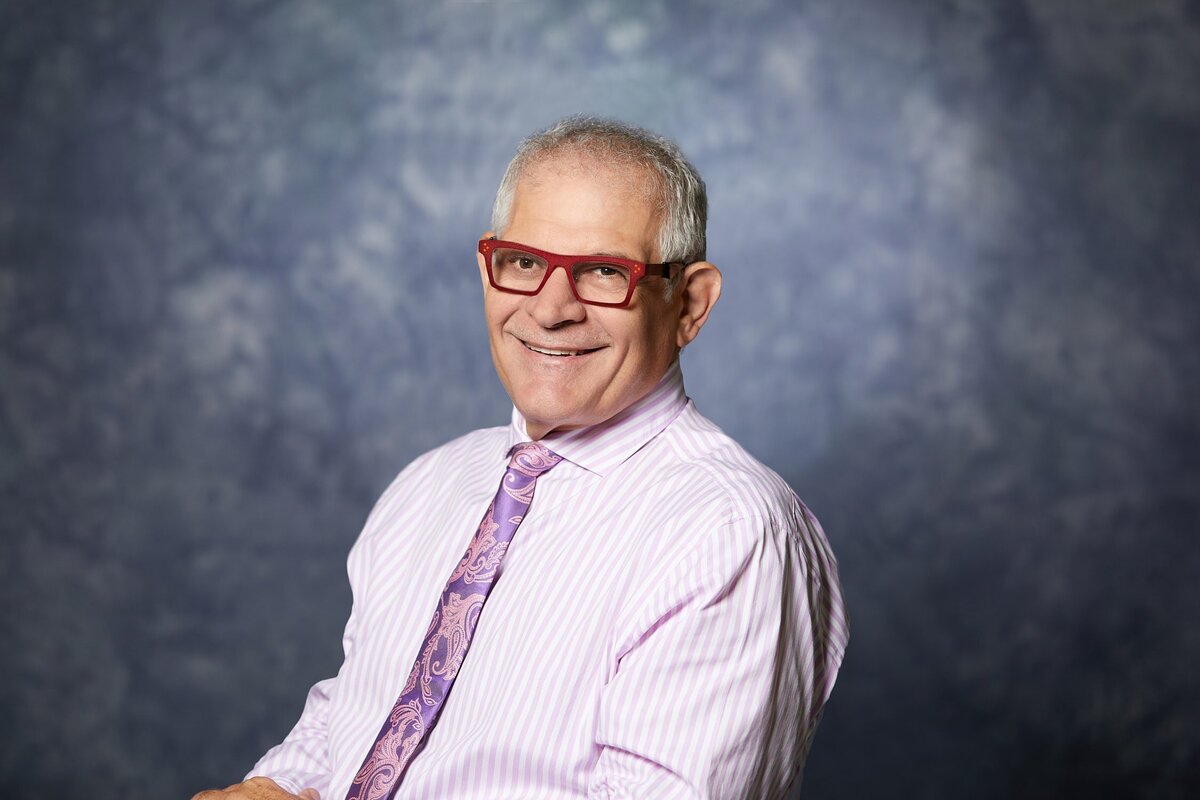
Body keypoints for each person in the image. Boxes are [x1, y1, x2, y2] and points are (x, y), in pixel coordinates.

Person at [192, 116, 847, 800]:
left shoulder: (728, 531)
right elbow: (362, 704)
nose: (551, 307)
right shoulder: (432, 484)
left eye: (603, 272)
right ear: (488, 271)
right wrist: (278, 785)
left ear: (689, 304)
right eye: (525, 263)